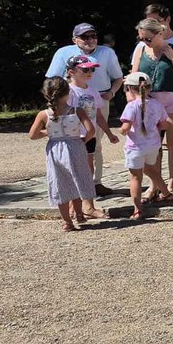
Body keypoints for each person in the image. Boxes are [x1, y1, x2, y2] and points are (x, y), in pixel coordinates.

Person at [45, 22, 124, 195]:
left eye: (93, 36)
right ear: (75, 39)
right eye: (84, 37)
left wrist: (111, 93)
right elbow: (51, 80)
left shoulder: (106, 52)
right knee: (72, 142)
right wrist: (57, 102)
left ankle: (95, 183)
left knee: (95, 143)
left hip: (98, 98)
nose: (90, 40)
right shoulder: (64, 53)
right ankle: (74, 183)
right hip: (70, 100)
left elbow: (118, 78)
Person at [133, 4, 173, 194]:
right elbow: (134, 75)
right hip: (151, 100)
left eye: (149, 38)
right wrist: (133, 95)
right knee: (153, 142)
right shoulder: (141, 49)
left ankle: (172, 182)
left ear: (159, 34)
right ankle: (154, 184)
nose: (146, 42)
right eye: (142, 38)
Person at [30, 77, 97, 231]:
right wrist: (82, 141)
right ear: (68, 93)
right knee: (77, 178)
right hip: (75, 146)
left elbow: (32, 135)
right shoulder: (76, 110)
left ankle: (67, 221)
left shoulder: (43, 114)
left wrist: (49, 132)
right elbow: (91, 130)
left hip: (55, 148)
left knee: (61, 183)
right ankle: (79, 214)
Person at [66, 55, 116, 219]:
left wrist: (108, 133)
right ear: (71, 72)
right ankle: (75, 205)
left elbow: (99, 115)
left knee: (88, 170)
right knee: (73, 171)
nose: (90, 72)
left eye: (91, 69)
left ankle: (88, 206)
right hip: (73, 136)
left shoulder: (92, 90)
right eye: (85, 69)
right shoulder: (67, 92)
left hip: (90, 135)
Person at [118, 72, 173, 219]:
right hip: (153, 145)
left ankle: (137, 209)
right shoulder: (157, 104)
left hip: (135, 147)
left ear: (129, 89)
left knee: (136, 177)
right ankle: (167, 193)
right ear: (149, 88)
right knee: (150, 169)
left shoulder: (131, 106)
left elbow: (125, 127)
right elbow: (165, 124)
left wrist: (121, 131)